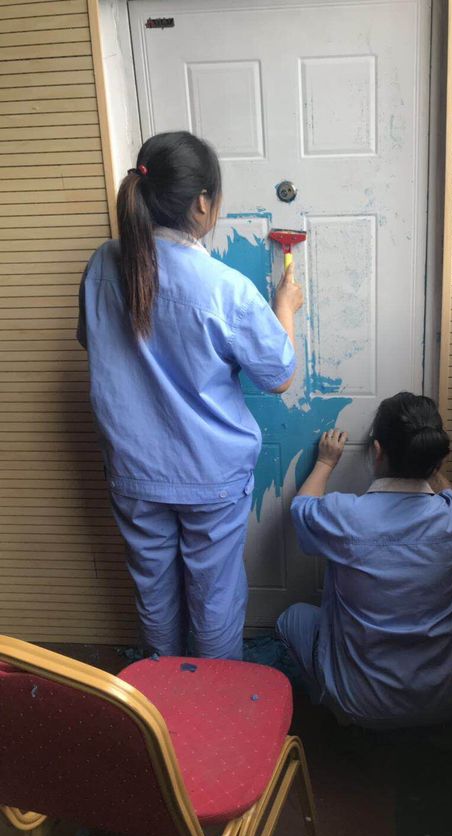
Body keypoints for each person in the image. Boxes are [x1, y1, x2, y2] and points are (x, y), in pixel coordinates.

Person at [77, 131, 303, 659]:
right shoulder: (223, 287)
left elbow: (95, 342)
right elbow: (279, 375)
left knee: (154, 593)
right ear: (203, 203)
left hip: (133, 469)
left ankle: (160, 701)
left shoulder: (102, 266)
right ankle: (214, 701)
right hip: (209, 475)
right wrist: (285, 307)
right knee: (214, 596)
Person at [276, 392, 452, 729]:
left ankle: (333, 708)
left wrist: (325, 463)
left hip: (359, 702)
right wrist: (430, 469)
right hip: (447, 697)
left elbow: (302, 509)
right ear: (434, 456)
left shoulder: (346, 516)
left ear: (377, 451)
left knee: (291, 619)